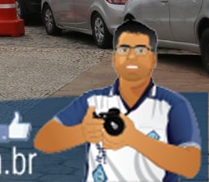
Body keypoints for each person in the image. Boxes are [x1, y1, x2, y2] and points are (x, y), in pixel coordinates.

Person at [34, 20, 201, 181]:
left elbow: (191, 165)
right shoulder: (94, 101)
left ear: (153, 59)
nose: (131, 57)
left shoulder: (172, 105)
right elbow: (44, 140)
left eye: (140, 50)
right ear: (115, 58)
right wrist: (82, 132)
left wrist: (134, 138)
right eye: (124, 50)